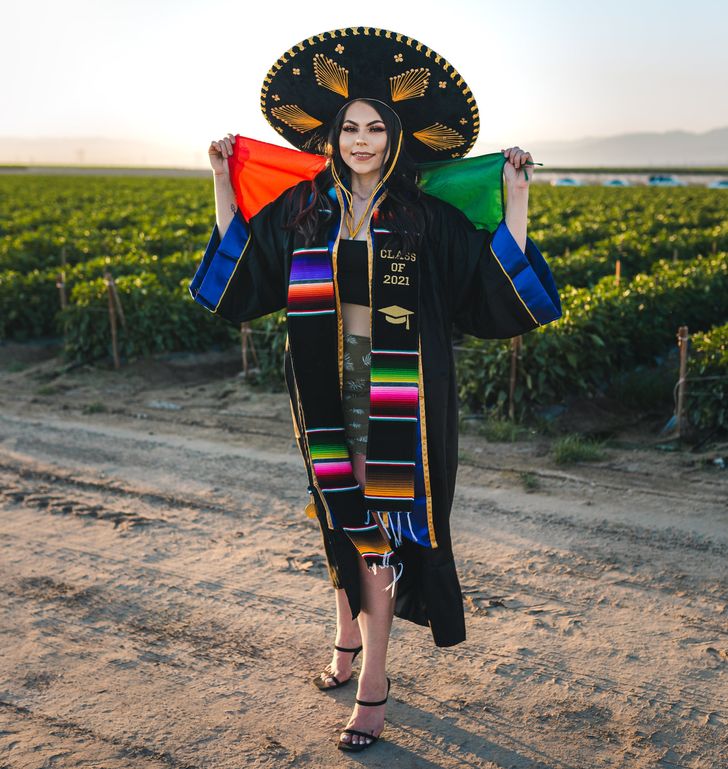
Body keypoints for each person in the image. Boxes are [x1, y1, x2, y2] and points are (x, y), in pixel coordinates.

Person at [190, 27, 562, 752]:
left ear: (396, 140)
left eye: (375, 128)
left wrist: (516, 201)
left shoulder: (424, 220)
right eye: (349, 128)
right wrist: (218, 181)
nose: (361, 140)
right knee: (338, 520)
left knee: (378, 538)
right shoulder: (304, 210)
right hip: (324, 394)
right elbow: (246, 275)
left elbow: (487, 287)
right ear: (331, 138)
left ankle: (375, 682)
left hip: (400, 406)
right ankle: (344, 642)